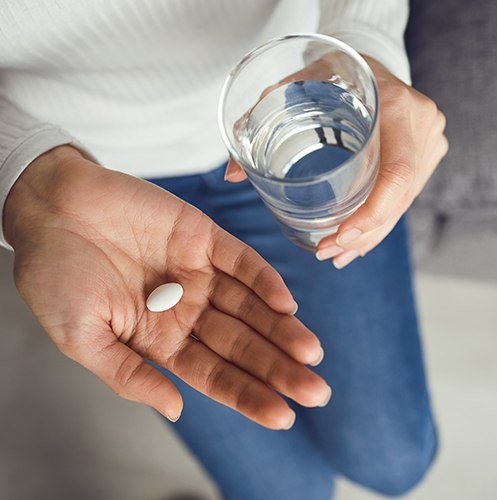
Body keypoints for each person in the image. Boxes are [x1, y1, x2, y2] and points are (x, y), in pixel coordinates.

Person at [0, 1, 447, 499]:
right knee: (288, 494)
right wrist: (30, 183)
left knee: (396, 463)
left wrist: (365, 53)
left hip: (291, 110)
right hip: (95, 176)